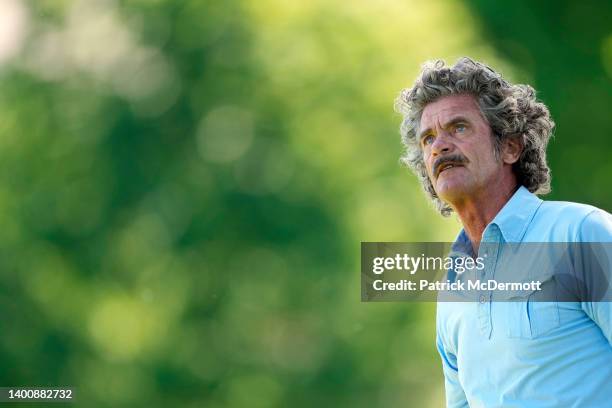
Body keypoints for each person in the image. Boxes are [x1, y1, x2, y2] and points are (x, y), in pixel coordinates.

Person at [395, 57, 612, 407]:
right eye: (428, 138)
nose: (440, 146)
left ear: (510, 146)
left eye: (459, 127)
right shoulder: (452, 289)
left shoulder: (582, 234)